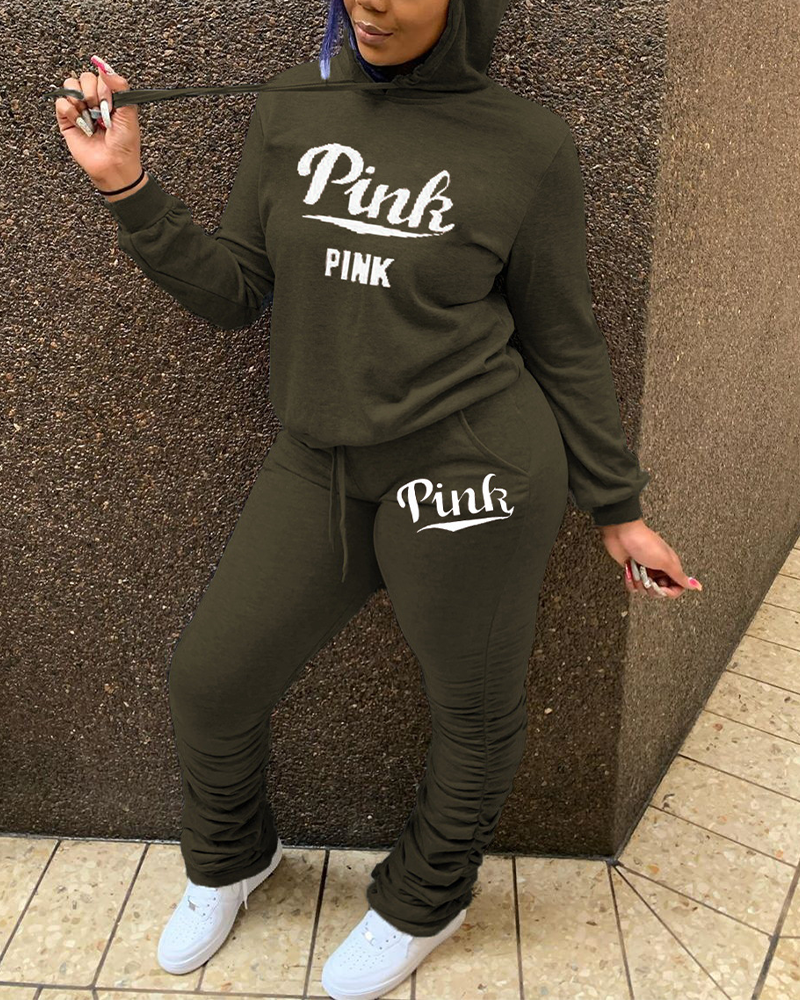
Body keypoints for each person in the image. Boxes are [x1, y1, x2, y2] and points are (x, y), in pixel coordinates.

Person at [53, 1, 703, 996]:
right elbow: (236, 290)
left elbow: (564, 338)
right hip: (320, 458)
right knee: (210, 682)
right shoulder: (289, 105)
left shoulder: (523, 143)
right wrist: (126, 185)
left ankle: (423, 901)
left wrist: (617, 506)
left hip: (473, 466)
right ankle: (233, 857)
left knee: (472, 709)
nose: (372, 1)